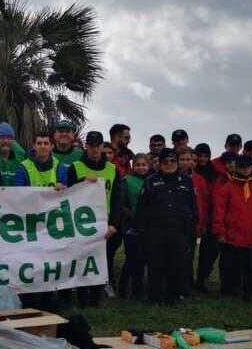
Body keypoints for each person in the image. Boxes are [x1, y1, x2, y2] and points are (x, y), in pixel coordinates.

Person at [137, 149, 196, 305]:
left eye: (172, 161)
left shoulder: (186, 181)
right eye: (165, 162)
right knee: (155, 265)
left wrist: (193, 228)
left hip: (179, 230)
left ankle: (172, 297)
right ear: (159, 164)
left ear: (177, 163)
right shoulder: (151, 181)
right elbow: (141, 207)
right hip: (156, 230)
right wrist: (142, 229)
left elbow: (193, 206)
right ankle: (154, 298)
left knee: (176, 265)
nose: (169, 164)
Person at [68, 131, 119, 306]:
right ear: (86, 146)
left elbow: (118, 198)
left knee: (101, 259)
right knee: (82, 260)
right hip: (81, 223)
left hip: (104, 221)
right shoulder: (75, 167)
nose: (95, 149)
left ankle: (96, 298)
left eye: (98, 146)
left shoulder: (112, 169)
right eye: (91, 146)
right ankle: (82, 298)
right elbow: (66, 194)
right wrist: (82, 181)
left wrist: (114, 224)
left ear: (103, 147)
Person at [213, 155, 252, 300]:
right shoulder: (227, 188)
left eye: (247, 167)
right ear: (236, 168)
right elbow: (219, 211)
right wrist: (220, 231)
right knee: (230, 266)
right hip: (232, 235)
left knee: (251, 267)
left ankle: (250, 292)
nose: (245, 170)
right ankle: (228, 291)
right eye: (241, 167)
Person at [118, 153, 150, 299]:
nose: (141, 168)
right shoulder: (126, 181)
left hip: (148, 226)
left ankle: (138, 289)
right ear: (133, 166)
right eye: (138, 165)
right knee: (131, 259)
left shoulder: (153, 180)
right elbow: (122, 204)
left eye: (144, 165)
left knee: (144, 258)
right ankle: (123, 288)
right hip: (131, 226)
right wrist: (135, 218)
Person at [177, 147, 207, 296]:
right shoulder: (171, 177)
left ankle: (186, 286)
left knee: (188, 257)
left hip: (191, 225)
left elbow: (203, 203)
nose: (185, 162)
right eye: (182, 159)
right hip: (175, 225)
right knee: (175, 256)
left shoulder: (199, 180)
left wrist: (201, 223)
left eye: (189, 159)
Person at [193, 142, 218, 292]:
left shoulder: (213, 172)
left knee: (209, 251)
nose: (202, 159)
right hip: (193, 214)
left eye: (205, 156)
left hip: (209, 215)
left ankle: (202, 277)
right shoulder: (191, 171)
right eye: (200, 155)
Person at [0, 122, 26, 186]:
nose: (5, 141)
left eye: (9, 138)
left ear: (13, 140)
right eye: (2, 137)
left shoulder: (22, 157)